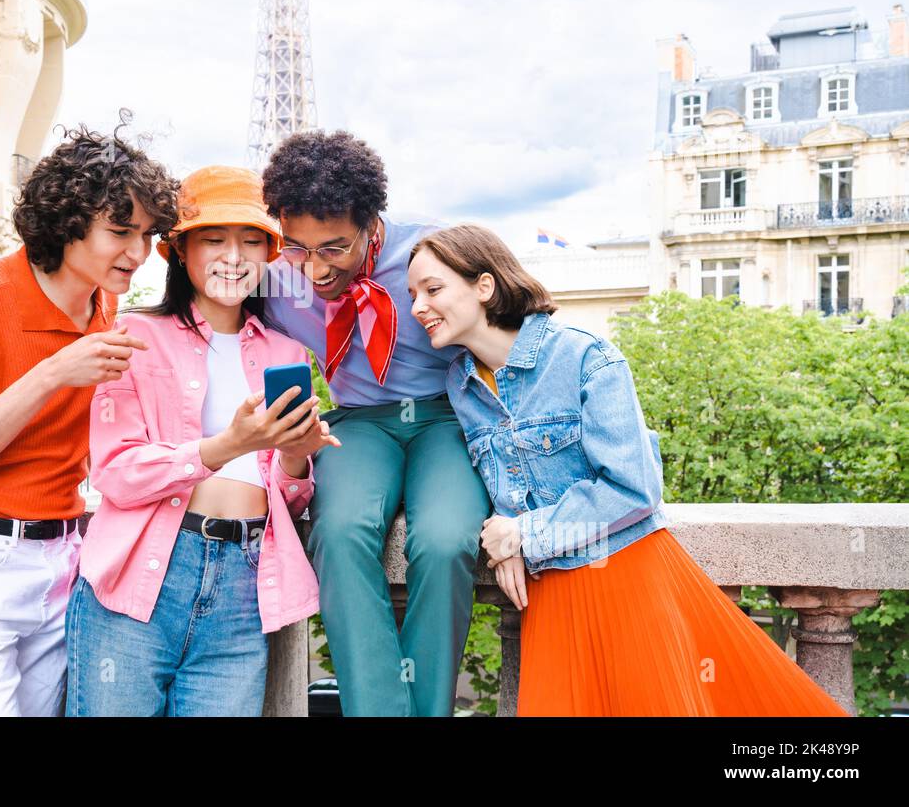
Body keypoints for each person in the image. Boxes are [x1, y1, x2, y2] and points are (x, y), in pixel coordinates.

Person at [407, 223, 850, 716]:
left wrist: (524, 533)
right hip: (550, 597)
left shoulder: (583, 355)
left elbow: (633, 488)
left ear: (484, 286)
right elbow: (503, 477)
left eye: (433, 289)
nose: (417, 307)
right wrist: (504, 537)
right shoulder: (460, 385)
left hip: (629, 580)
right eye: (412, 294)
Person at [0, 124, 179, 716]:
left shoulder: (105, 308)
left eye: (149, 235)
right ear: (67, 222)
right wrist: (54, 372)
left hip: (64, 563)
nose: (138, 253)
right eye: (121, 232)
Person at [66, 165, 338, 716]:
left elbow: (285, 497)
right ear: (180, 252)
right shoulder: (134, 338)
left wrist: (292, 456)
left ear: (270, 256)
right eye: (213, 240)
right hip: (142, 576)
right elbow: (115, 472)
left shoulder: (287, 353)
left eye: (251, 242)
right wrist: (227, 445)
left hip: (244, 584)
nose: (233, 257)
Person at [259, 130, 491, 717]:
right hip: (358, 422)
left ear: (371, 224)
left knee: (443, 541)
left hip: (446, 418)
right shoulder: (273, 273)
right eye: (298, 248)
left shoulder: (436, 251)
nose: (313, 270)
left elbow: (511, 333)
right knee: (337, 535)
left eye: (333, 248)